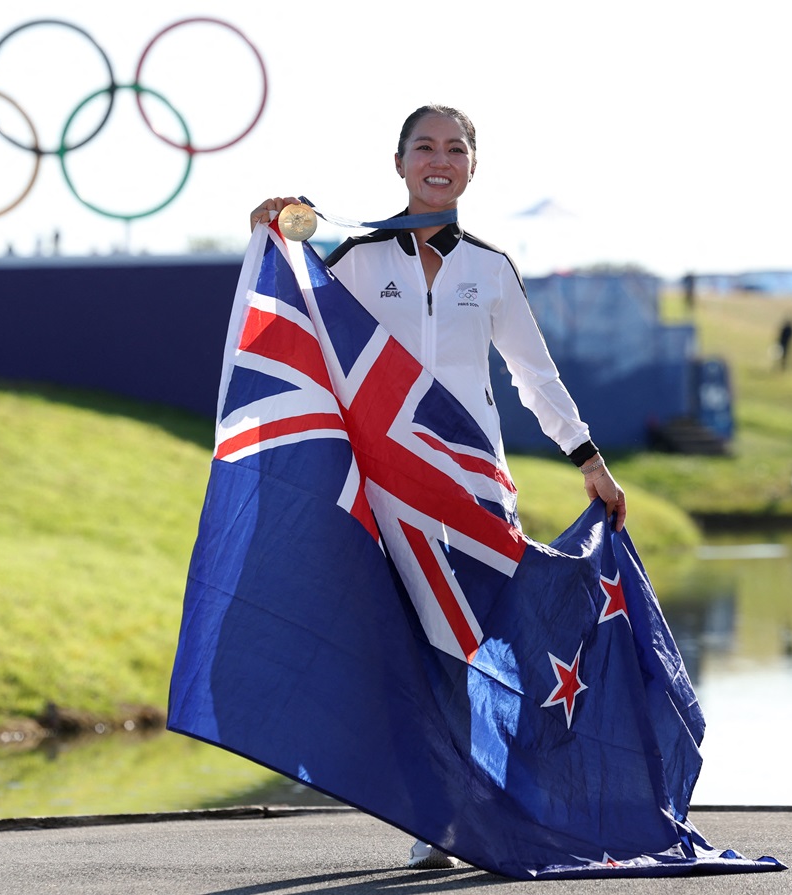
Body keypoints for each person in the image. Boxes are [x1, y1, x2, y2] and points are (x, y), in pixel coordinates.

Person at [249, 104, 625, 870]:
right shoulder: (354, 258)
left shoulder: (489, 268)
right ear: (400, 164)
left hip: (475, 487)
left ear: (473, 167)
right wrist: (266, 234)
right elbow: (298, 330)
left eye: (456, 148)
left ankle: (489, 802)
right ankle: (441, 812)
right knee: (418, 647)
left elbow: (533, 375)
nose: (440, 159)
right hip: (390, 491)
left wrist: (586, 455)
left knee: (474, 644)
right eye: (425, 147)